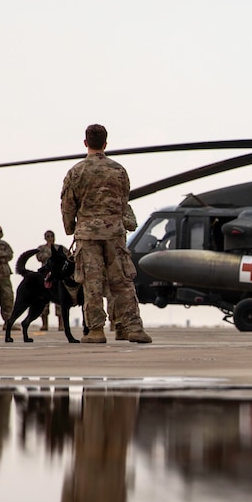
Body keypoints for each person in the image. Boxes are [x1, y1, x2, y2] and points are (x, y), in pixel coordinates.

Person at [60, 123, 151, 344]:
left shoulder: (76, 171)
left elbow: (67, 205)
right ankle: (134, 328)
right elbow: (124, 201)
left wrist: (70, 228)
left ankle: (96, 331)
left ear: (85, 143)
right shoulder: (118, 170)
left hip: (88, 235)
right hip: (114, 234)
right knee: (122, 282)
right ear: (105, 143)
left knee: (91, 283)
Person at [35, 229, 67, 331]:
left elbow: (67, 256)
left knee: (60, 301)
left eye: (51, 236)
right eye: (47, 236)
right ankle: (45, 324)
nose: (50, 238)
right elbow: (40, 257)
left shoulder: (60, 248)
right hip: (46, 277)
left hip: (57, 277)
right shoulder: (41, 248)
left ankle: (61, 324)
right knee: (44, 300)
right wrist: (51, 252)